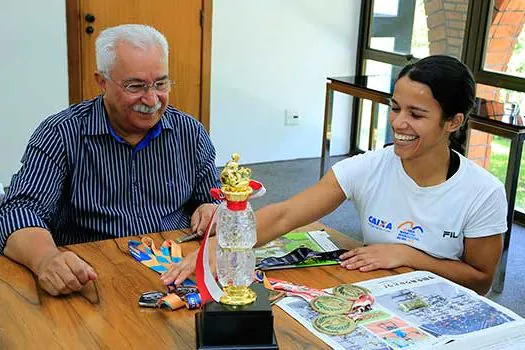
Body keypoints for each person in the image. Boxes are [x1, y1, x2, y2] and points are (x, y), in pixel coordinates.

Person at [162, 55, 507, 295]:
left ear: (453, 122)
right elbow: (285, 214)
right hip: (381, 296)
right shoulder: (369, 167)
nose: (399, 123)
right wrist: (217, 252)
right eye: (396, 108)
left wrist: (409, 256)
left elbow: (479, 281)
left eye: (417, 114)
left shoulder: (483, 192)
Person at [0, 24, 220, 296]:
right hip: (92, 276)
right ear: (102, 81)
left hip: (178, 273)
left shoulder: (190, 132)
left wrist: (212, 209)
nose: (152, 99)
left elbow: (215, 199)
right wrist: (46, 259)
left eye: (160, 84)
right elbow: (18, 211)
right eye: (135, 86)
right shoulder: (61, 134)